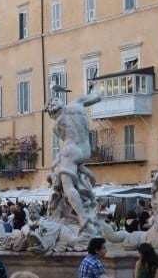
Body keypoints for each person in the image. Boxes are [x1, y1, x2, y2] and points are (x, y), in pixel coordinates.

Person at [43, 86, 100, 230]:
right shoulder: (77, 104)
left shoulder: (57, 125)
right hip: (85, 150)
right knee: (60, 165)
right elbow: (97, 96)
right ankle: (82, 208)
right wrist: (94, 85)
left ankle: (82, 216)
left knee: (67, 186)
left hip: (71, 150)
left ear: (52, 113)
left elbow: (64, 139)